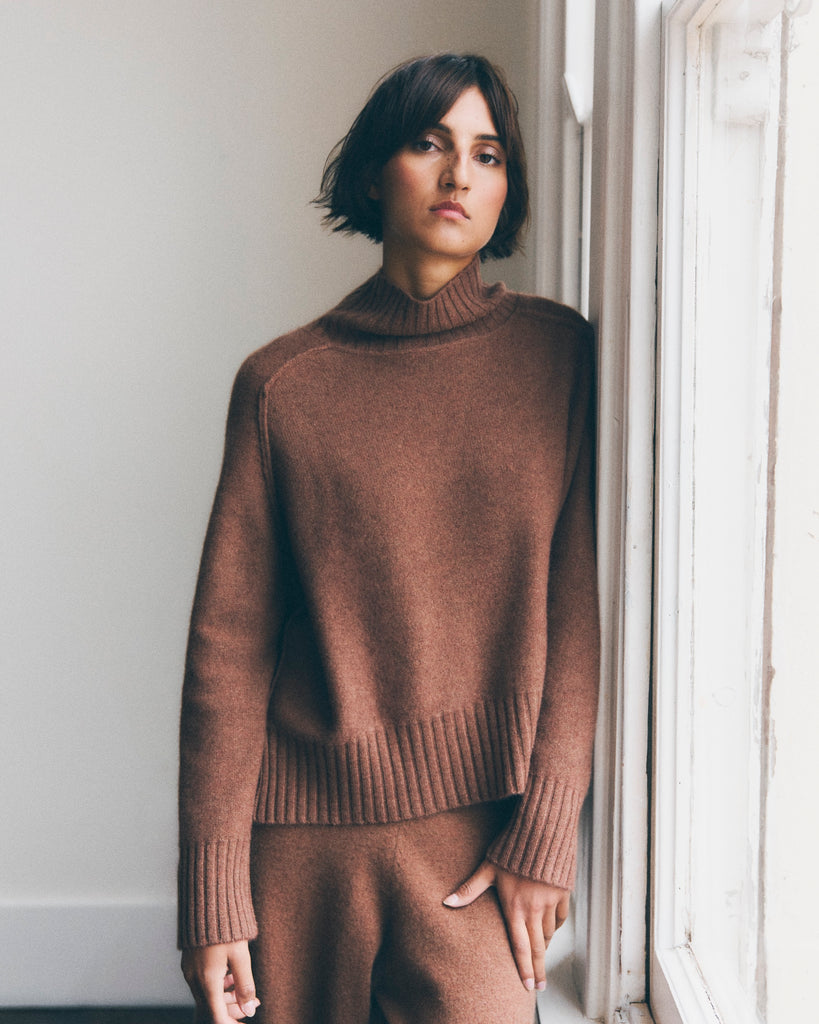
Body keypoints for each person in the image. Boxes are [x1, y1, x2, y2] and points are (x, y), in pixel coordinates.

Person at [178, 53, 600, 1024]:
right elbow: (227, 655)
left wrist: (545, 833)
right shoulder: (283, 385)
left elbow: (574, 607)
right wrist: (214, 899)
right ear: (375, 173)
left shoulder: (559, 356)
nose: (459, 174)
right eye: (429, 144)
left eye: (487, 153)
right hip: (298, 837)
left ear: (508, 187)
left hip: (477, 840)